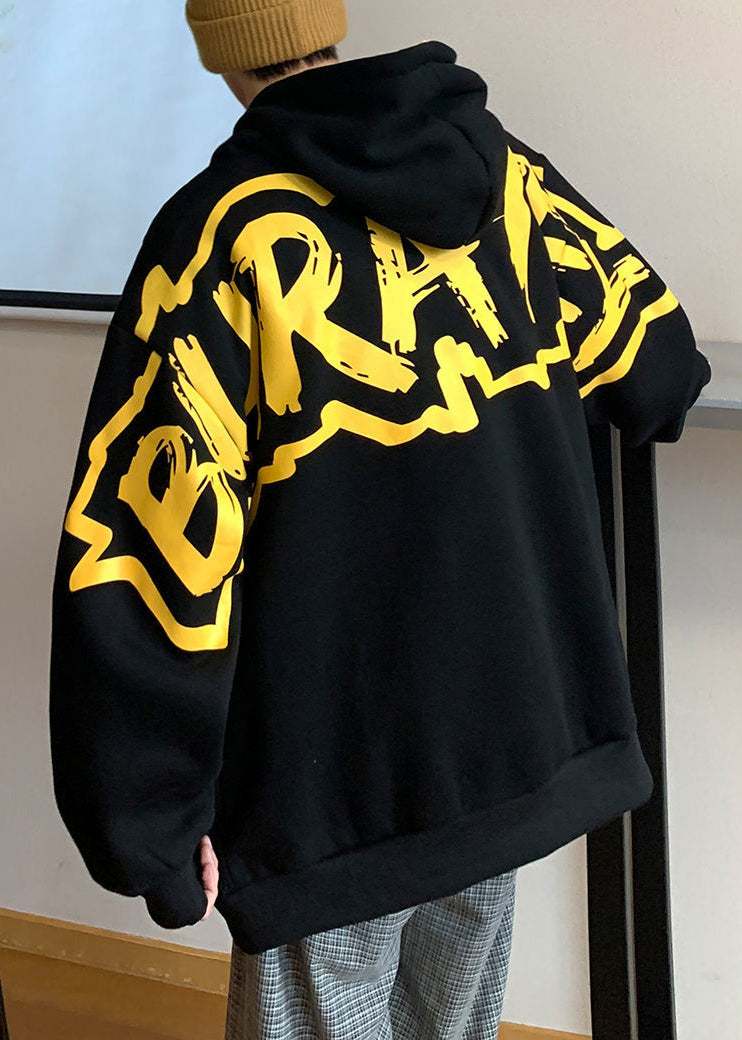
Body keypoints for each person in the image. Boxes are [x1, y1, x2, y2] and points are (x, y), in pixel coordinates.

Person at [48, 1, 712, 1037]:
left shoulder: (223, 235)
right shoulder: (508, 175)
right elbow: (658, 367)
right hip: (511, 740)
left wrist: (149, 819)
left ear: (218, 51)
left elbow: (152, 547)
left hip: (328, 780)